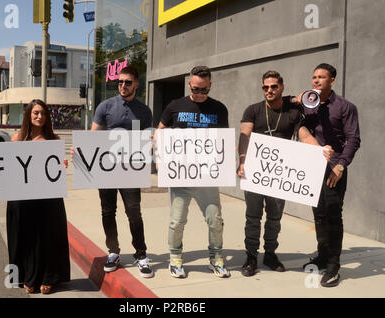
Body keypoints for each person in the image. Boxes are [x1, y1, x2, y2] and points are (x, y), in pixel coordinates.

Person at [237, 71, 333, 277]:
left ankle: (270, 254)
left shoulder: (293, 112)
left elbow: (304, 134)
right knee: (252, 217)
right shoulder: (253, 110)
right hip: (255, 171)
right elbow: (244, 136)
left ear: (281, 87)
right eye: (265, 87)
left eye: (273, 87)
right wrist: (242, 162)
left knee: (274, 217)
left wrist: (320, 151)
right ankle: (251, 256)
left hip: (280, 174)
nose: (269, 91)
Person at [0, 99, 70, 294]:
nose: (40, 116)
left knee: (47, 236)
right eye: (36, 113)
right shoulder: (17, 138)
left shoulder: (53, 140)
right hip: (23, 198)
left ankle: (49, 277)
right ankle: (28, 277)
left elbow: (56, 169)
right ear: (29, 115)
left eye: (43, 113)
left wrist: (62, 166)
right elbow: (8, 167)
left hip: (48, 198)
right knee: (28, 237)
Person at [156, 65, 231, 278]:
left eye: (204, 90)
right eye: (196, 89)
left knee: (215, 219)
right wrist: (159, 158)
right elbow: (160, 132)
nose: (199, 94)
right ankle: (175, 258)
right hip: (180, 174)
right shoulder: (175, 106)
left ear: (210, 85)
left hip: (207, 176)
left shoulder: (219, 108)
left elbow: (222, 142)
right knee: (177, 221)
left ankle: (216, 258)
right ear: (189, 83)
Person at [89, 66, 154, 278]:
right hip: (107, 169)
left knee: (134, 212)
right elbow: (93, 137)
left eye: (127, 82)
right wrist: (81, 151)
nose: (123, 85)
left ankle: (141, 254)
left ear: (136, 84)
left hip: (130, 170)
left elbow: (145, 141)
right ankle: (113, 252)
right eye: (120, 82)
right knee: (108, 212)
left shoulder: (144, 111)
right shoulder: (105, 106)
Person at [300, 63, 360, 287]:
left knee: (334, 217)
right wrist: (297, 101)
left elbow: (353, 140)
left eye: (321, 77)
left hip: (334, 170)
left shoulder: (346, 107)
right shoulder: (309, 105)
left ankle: (334, 267)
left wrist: (341, 166)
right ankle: (323, 256)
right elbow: (298, 122)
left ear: (332, 80)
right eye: (314, 77)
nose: (316, 81)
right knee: (319, 215)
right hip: (312, 169)